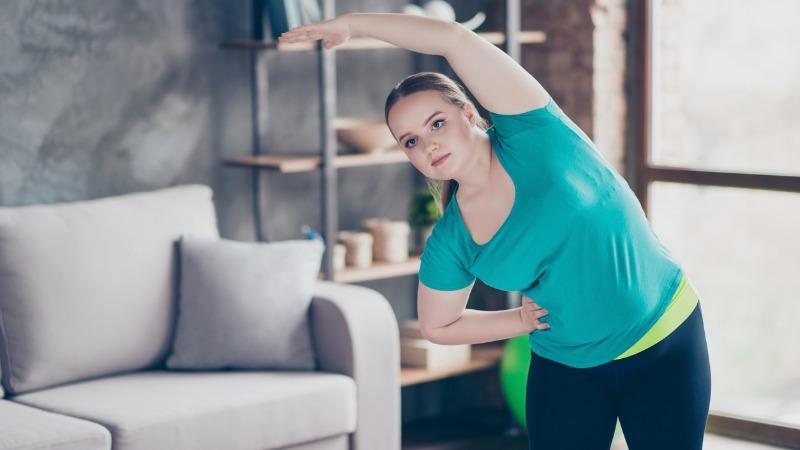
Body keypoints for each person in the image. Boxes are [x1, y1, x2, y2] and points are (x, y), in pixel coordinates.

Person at [280, 12, 712, 450]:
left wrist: (353, 24)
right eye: (410, 140)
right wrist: (518, 319)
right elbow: (439, 325)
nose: (427, 143)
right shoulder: (452, 240)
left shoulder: (534, 131)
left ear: (467, 113)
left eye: (436, 123)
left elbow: (452, 38)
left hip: (664, 338)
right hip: (567, 369)